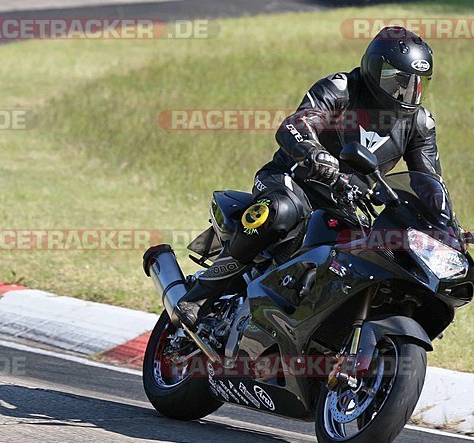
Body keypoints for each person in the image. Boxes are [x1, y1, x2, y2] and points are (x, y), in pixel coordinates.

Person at [175, 26, 442, 329]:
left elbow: (429, 181)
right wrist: (315, 154)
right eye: (397, 81)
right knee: (280, 213)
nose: (405, 93)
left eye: (416, 85)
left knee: (374, 258)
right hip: (294, 180)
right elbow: (296, 124)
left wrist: (444, 225)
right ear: (374, 69)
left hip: (347, 205)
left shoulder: (419, 123)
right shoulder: (342, 88)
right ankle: (200, 295)